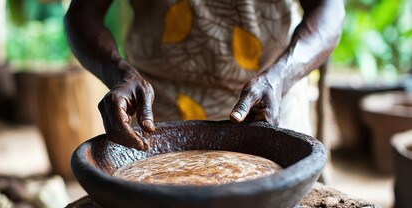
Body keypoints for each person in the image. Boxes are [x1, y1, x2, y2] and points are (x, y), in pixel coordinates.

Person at [64, 0, 344, 150]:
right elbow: (83, 12)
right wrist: (117, 72)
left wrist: (281, 75)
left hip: (269, 99)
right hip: (157, 112)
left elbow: (328, 7)